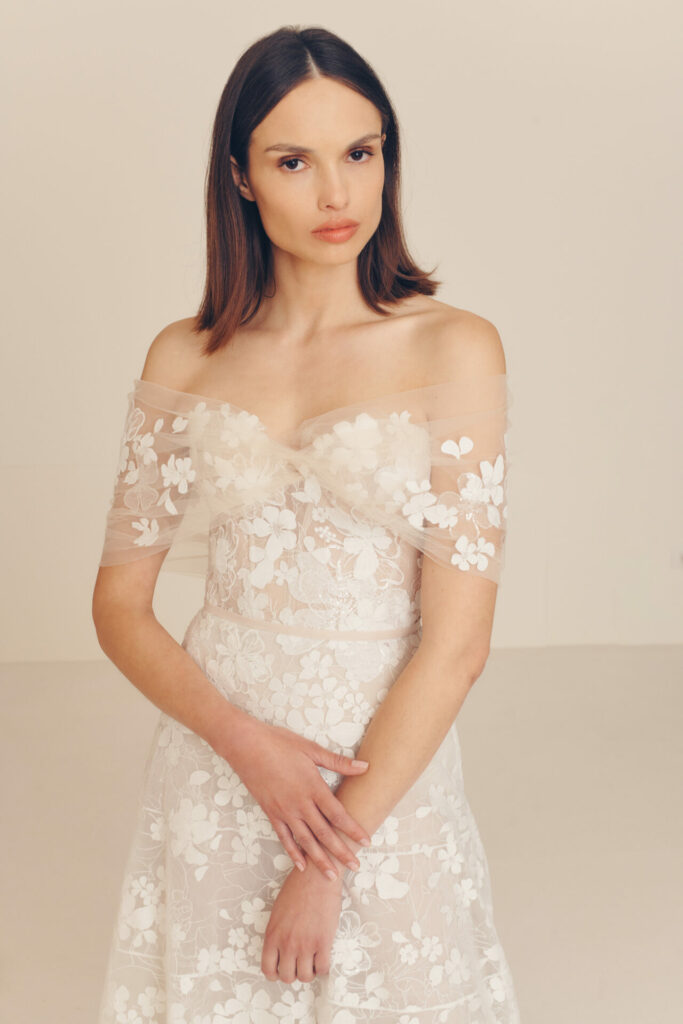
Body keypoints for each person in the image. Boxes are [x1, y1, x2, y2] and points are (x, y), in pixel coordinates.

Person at [92, 24, 521, 1024]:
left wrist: (330, 857)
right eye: (294, 161)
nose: (337, 194)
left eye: (359, 153)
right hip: (218, 760)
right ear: (239, 178)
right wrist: (246, 747)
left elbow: (456, 645)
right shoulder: (184, 355)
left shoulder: (453, 349)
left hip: (375, 771)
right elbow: (118, 605)